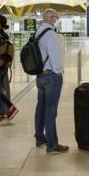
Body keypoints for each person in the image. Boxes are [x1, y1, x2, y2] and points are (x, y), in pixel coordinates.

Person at [34, 9, 68, 153]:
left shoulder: (38, 33)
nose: (56, 20)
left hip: (40, 76)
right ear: (51, 18)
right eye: (56, 18)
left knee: (41, 107)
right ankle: (52, 144)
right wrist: (59, 73)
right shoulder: (51, 35)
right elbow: (55, 58)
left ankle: (40, 137)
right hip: (51, 77)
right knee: (50, 110)